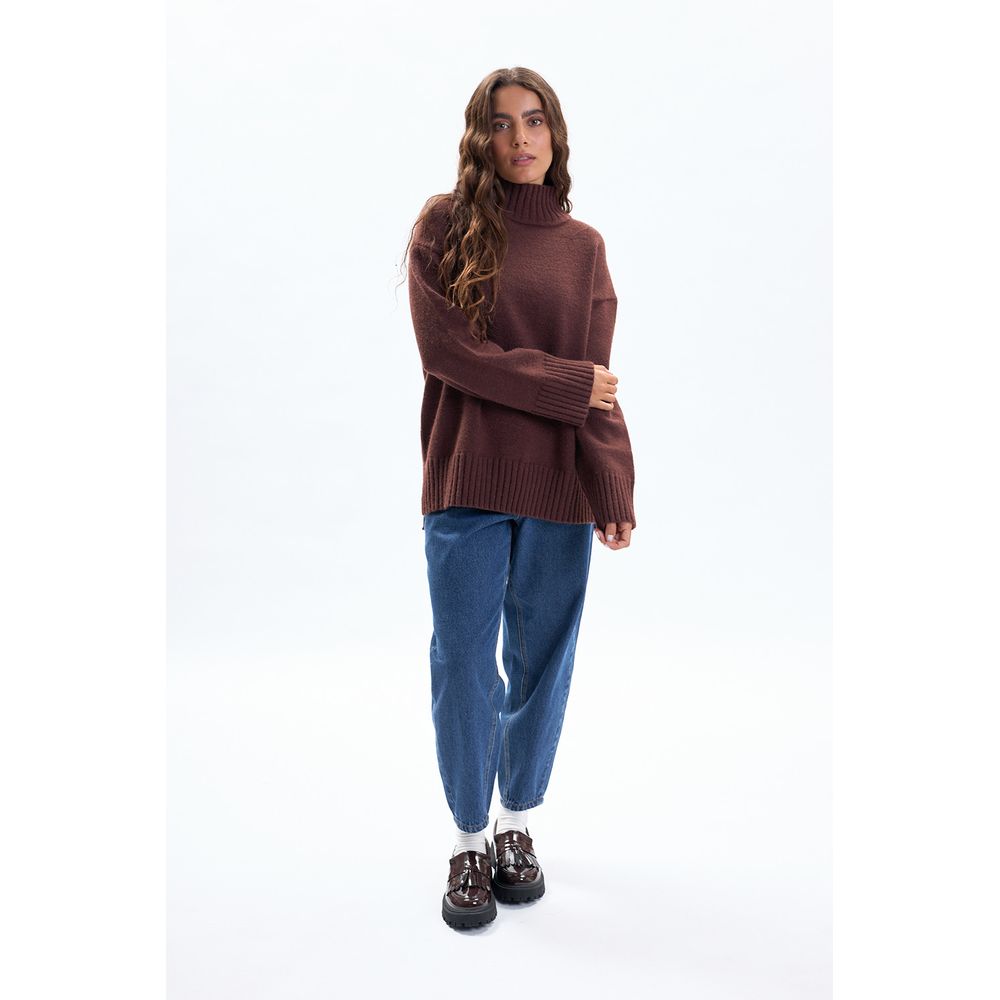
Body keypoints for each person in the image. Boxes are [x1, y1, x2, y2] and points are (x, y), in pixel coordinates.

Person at [404, 67, 637, 930]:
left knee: (543, 663)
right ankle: (467, 841)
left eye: (535, 121)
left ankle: (516, 826)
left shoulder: (584, 249)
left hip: (557, 485)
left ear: (556, 134)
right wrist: (564, 384)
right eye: (502, 124)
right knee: (463, 661)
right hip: (467, 477)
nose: (521, 138)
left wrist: (612, 480)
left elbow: (599, 385)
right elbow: (449, 355)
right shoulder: (445, 225)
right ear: (481, 138)